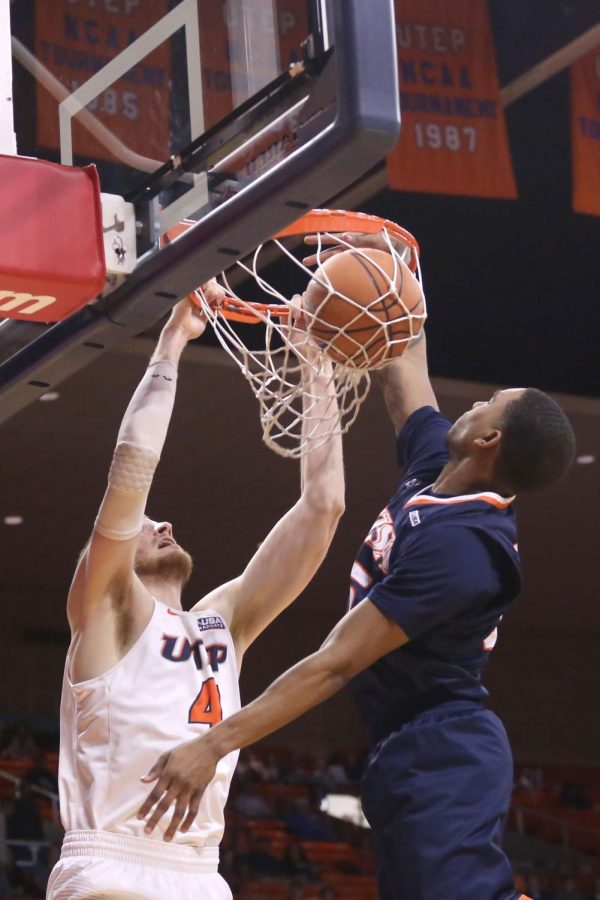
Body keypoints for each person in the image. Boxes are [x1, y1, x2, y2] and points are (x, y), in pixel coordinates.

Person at [137, 237, 576, 900]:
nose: (474, 403)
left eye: (488, 403)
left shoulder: (465, 553)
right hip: (406, 746)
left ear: (490, 441)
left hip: (446, 749)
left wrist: (213, 745)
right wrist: (387, 277)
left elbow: (336, 662)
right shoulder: (442, 469)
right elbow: (406, 375)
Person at [46, 287, 344, 900]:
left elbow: (324, 507)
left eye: (163, 521)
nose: (165, 525)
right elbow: (129, 474)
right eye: (147, 526)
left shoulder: (220, 623)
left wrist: (314, 362)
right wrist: (171, 345)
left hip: (200, 872)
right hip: (113, 864)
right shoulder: (108, 613)